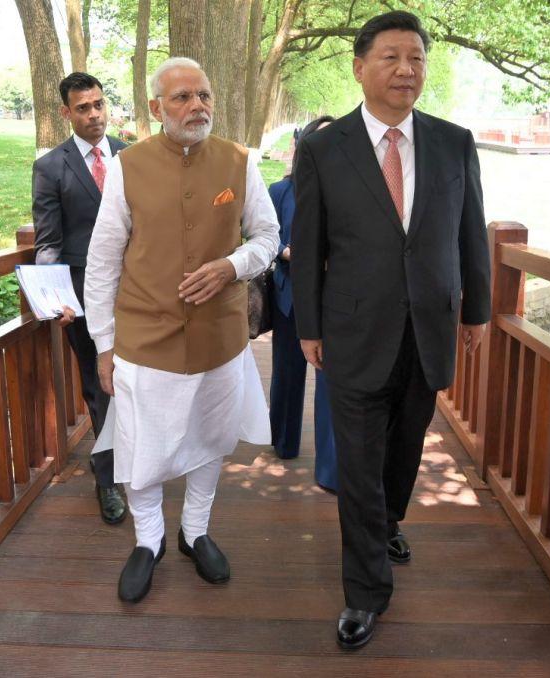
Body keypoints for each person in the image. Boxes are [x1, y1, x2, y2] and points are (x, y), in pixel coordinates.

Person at [291, 10, 491, 649]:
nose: (407, 70)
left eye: (417, 58)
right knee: (358, 463)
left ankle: (387, 521)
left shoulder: (454, 141)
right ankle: (366, 591)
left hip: (427, 328)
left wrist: (478, 309)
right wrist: (309, 325)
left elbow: (469, 233)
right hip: (353, 331)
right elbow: (309, 239)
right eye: (391, 57)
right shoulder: (323, 147)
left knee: (406, 447)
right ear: (360, 67)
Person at [84, 57, 280, 603]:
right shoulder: (129, 167)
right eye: (181, 98)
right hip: (145, 337)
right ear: (156, 108)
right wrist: (104, 343)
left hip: (220, 336)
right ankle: (148, 540)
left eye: (204, 94)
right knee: (141, 444)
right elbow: (102, 260)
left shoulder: (240, 161)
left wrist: (232, 266)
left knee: (211, 437)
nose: (197, 106)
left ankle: (195, 531)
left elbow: (267, 234)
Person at [32, 72, 127, 525]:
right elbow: (48, 242)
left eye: (99, 104)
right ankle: (107, 480)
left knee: (139, 383)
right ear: (66, 113)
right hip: (84, 299)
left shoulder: (133, 158)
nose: (94, 115)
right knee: (100, 386)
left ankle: (137, 461)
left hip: (140, 295)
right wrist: (57, 298)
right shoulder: (52, 166)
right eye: (83, 108)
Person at [268, 116, 338, 492]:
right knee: (287, 373)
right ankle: (284, 441)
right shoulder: (280, 191)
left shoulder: (349, 191)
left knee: (331, 383)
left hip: (337, 302)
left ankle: (330, 467)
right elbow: (264, 238)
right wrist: (286, 252)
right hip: (290, 297)